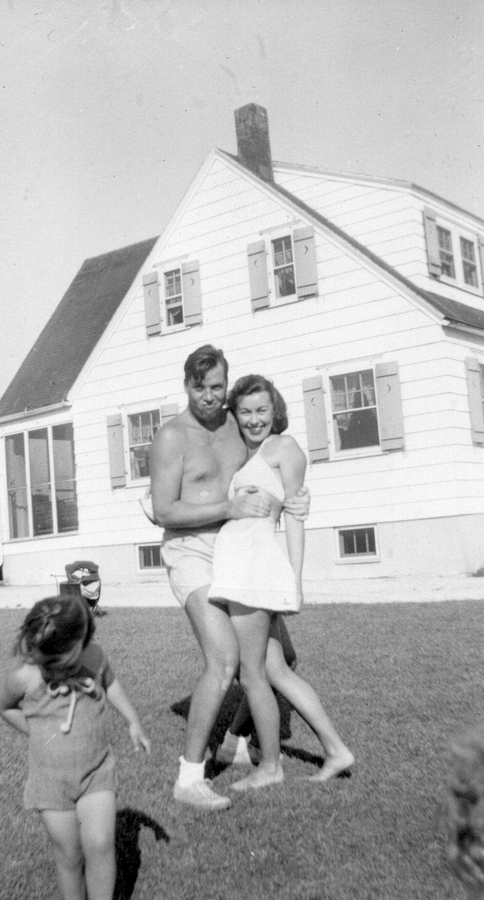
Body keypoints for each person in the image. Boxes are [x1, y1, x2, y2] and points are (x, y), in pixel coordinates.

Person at [150, 344, 309, 810]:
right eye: (199, 387)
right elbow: (164, 511)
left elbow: (274, 466)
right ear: (186, 386)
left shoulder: (235, 428)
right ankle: (190, 778)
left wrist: (297, 500)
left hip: (234, 548)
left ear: (226, 385)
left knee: (282, 659)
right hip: (190, 549)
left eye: (217, 387)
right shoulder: (171, 437)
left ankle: (236, 740)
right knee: (223, 661)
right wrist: (228, 507)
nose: (209, 396)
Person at [208, 374, 354, 791]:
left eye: (262, 411)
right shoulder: (238, 454)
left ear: (276, 412)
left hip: (254, 570)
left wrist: (296, 578)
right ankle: (336, 749)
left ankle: (270, 767)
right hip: (239, 568)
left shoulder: (284, 448)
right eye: (246, 412)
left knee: (252, 673)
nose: (254, 420)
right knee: (274, 671)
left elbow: (295, 515)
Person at [0, 596, 151, 900]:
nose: (54, 671)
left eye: (62, 664)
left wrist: (133, 720)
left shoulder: (94, 657)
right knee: (69, 856)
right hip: (50, 782)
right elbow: (4, 707)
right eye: (46, 665)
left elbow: (111, 684)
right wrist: (38, 732)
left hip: (96, 772)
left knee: (101, 843)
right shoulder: (24, 677)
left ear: (83, 639)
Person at [446, 724, 484, 898]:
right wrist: (454, 843)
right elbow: (454, 819)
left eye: (463, 765)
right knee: (473, 889)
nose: (456, 770)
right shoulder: (457, 786)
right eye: (454, 764)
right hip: (470, 851)